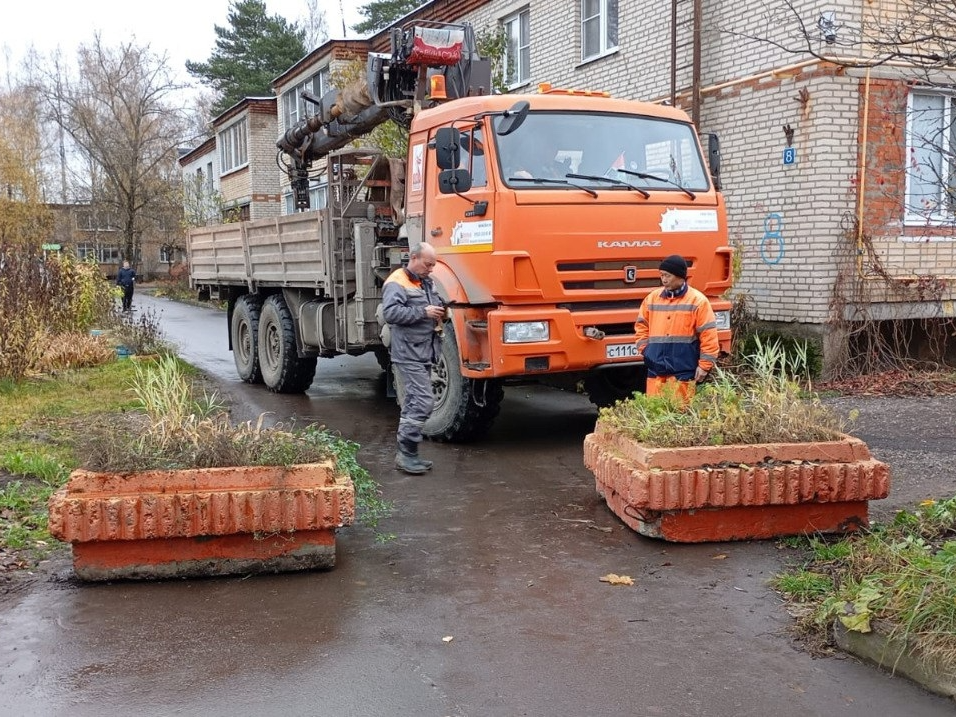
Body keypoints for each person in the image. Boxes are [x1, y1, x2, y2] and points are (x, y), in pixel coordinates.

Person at [381, 242, 447, 475]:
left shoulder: (425, 281)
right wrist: (424, 312)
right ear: (414, 257)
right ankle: (407, 452)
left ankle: (408, 455)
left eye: (433, 265)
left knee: (412, 403)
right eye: (428, 264)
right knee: (423, 401)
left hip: (423, 351)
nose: (431, 269)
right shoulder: (397, 282)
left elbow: (433, 305)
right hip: (408, 353)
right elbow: (390, 314)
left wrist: (441, 310)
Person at [634, 254, 720, 403]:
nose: (664, 279)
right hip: (656, 370)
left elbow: (709, 335)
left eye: (667, 275)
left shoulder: (698, 301)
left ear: (680, 276)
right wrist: (645, 350)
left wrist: (705, 366)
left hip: (683, 371)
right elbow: (641, 325)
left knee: (680, 416)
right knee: (655, 414)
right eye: (661, 275)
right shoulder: (652, 299)